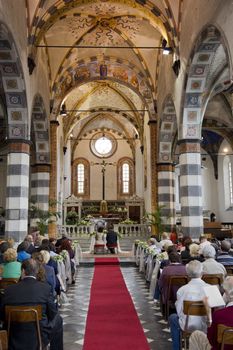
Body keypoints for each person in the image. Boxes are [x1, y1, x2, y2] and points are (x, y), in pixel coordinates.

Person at [2, 258, 63, 350]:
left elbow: (2, 315)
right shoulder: (45, 289)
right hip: (39, 336)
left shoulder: (8, 290)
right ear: (37, 271)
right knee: (58, 319)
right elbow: (53, 312)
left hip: (13, 335)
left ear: (23, 271)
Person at [168, 260, 209, 350]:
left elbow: (179, 312)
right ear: (202, 273)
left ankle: (176, 348)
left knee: (173, 317)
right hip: (207, 325)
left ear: (188, 274)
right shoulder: (210, 288)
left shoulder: (182, 290)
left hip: (188, 325)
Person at [189, 276, 233, 350]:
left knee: (195, 335)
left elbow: (211, 341)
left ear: (226, 293)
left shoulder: (219, 314)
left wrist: (209, 314)